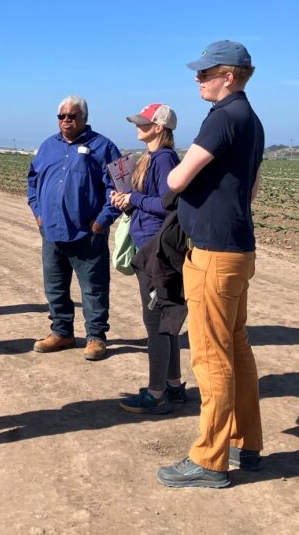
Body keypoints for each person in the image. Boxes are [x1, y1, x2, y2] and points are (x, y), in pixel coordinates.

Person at [156, 40, 265, 489]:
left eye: (204, 73)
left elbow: (177, 177)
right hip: (238, 248)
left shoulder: (223, 117)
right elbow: (254, 185)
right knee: (236, 349)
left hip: (213, 255)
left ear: (230, 76)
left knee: (210, 356)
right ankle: (245, 442)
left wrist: (174, 180)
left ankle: (210, 460)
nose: (197, 80)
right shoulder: (252, 120)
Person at [27, 96, 121, 361]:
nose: (66, 120)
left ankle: (96, 337)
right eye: (62, 116)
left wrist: (102, 220)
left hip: (87, 234)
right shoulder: (47, 146)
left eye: (72, 115)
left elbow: (119, 187)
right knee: (55, 287)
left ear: (85, 118)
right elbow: (32, 181)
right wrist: (38, 213)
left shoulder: (103, 147)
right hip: (52, 232)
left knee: (93, 288)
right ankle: (62, 332)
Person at [109, 104, 186, 414]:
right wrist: (127, 203)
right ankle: (174, 385)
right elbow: (150, 201)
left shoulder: (164, 159)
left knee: (155, 323)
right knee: (165, 320)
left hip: (158, 250)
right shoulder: (152, 158)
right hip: (150, 246)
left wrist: (134, 199)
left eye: (144, 123)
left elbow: (170, 204)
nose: (138, 126)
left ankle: (156, 394)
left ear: (159, 128)